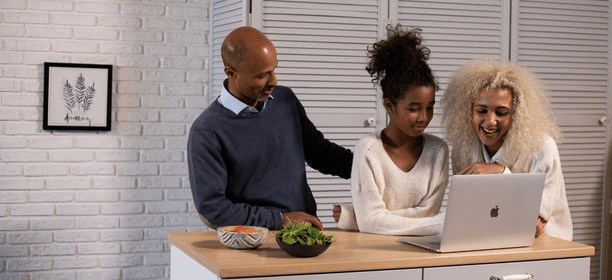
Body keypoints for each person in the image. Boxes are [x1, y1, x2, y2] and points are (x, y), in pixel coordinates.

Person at [187, 26, 353, 231]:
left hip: (305, 234)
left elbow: (321, 153)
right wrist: (282, 219)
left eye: (274, 69)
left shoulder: (285, 100)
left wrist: (374, 165)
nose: (274, 81)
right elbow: (213, 209)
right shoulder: (206, 131)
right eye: (262, 75)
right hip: (253, 242)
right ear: (231, 73)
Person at [333, 24, 448, 235]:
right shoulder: (368, 150)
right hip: (375, 253)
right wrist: (443, 223)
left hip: (422, 251)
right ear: (389, 105)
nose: (424, 117)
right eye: (414, 109)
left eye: (430, 107)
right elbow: (429, 222)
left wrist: (359, 218)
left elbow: (427, 215)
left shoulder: (438, 150)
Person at [440, 59, 573, 241]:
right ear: (469, 110)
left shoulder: (541, 147)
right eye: (481, 111)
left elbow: (532, 227)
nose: (490, 121)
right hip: (487, 242)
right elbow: (467, 213)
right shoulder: (462, 149)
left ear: (515, 114)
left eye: (501, 113)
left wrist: (501, 173)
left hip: (547, 247)